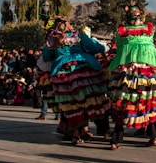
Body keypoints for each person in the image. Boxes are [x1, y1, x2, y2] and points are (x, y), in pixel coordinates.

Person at [42, 17, 110, 145]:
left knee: (72, 105)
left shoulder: (51, 39)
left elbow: (46, 56)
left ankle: (76, 132)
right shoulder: (78, 35)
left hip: (63, 72)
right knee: (89, 101)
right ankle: (84, 131)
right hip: (83, 70)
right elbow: (97, 48)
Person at [107, 4, 156, 149]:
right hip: (149, 66)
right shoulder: (149, 29)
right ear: (141, 17)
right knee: (149, 100)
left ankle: (117, 139)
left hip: (128, 65)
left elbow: (119, 47)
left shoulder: (122, 31)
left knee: (123, 100)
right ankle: (154, 137)